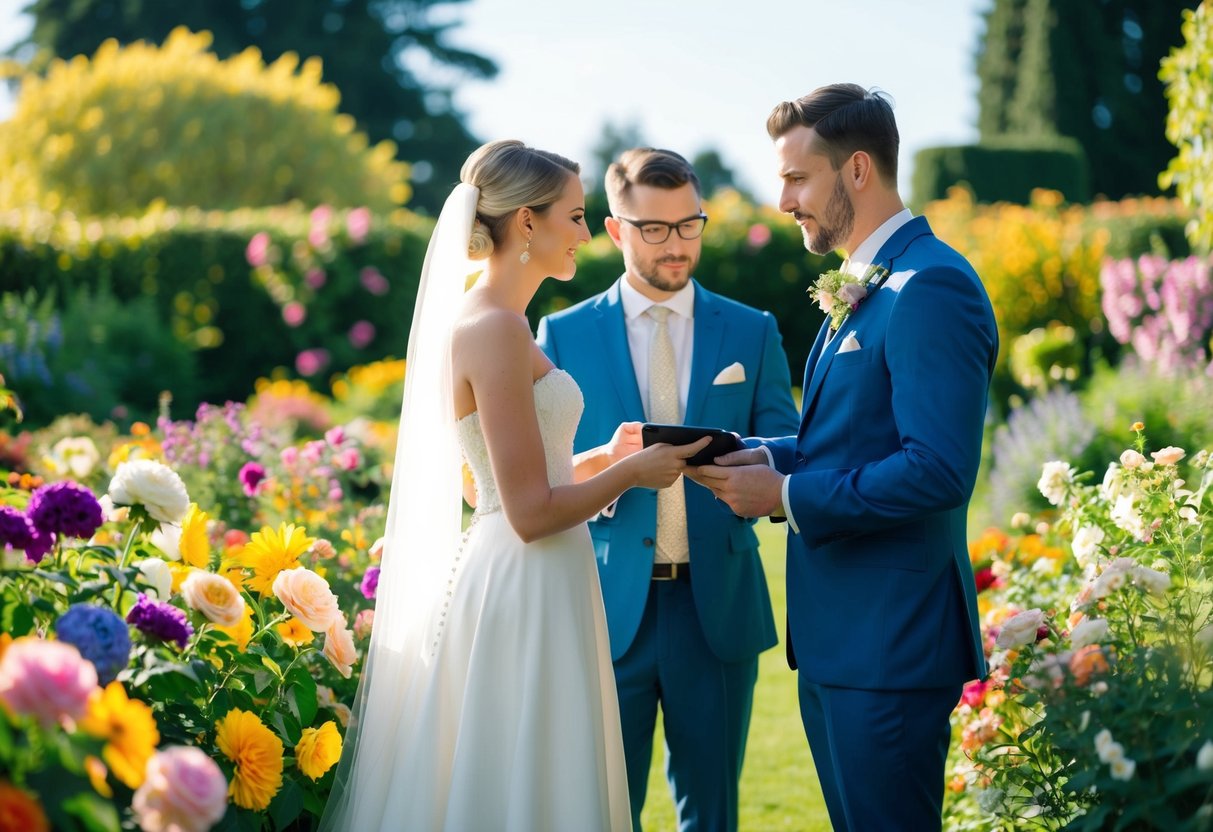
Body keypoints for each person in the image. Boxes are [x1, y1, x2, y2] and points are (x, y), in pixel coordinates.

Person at [319, 139, 711, 832]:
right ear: (526, 223)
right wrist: (633, 472)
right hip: (525, 576)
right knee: (518, 781)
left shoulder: (502, 322)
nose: (587, 234)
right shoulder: (494, 328)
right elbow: (526, 513)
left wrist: (594, 459)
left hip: (543, 571)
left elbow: (487, 487)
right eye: (576, 216)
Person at [693, 85, 998, 831]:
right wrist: (748, 452)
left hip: (889, 650)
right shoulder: (868, 283)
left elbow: (935, 469)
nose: (783, 199)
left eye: (797, 178)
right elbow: (852, 441)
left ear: (856, 170)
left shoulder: (931, 286)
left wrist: (786, 497)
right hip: (837, 645)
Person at [537, 148, 799, 832]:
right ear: (617, 229)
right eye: (654, 229)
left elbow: (788, 442)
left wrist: (741, 466)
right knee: (599, 810)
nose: (676, 244)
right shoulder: (559, 336)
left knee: (712, 813)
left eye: (689, 225)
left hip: (715, 606)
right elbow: (542, 468)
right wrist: (616, 470)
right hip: (602, 606)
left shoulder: (753, 329)